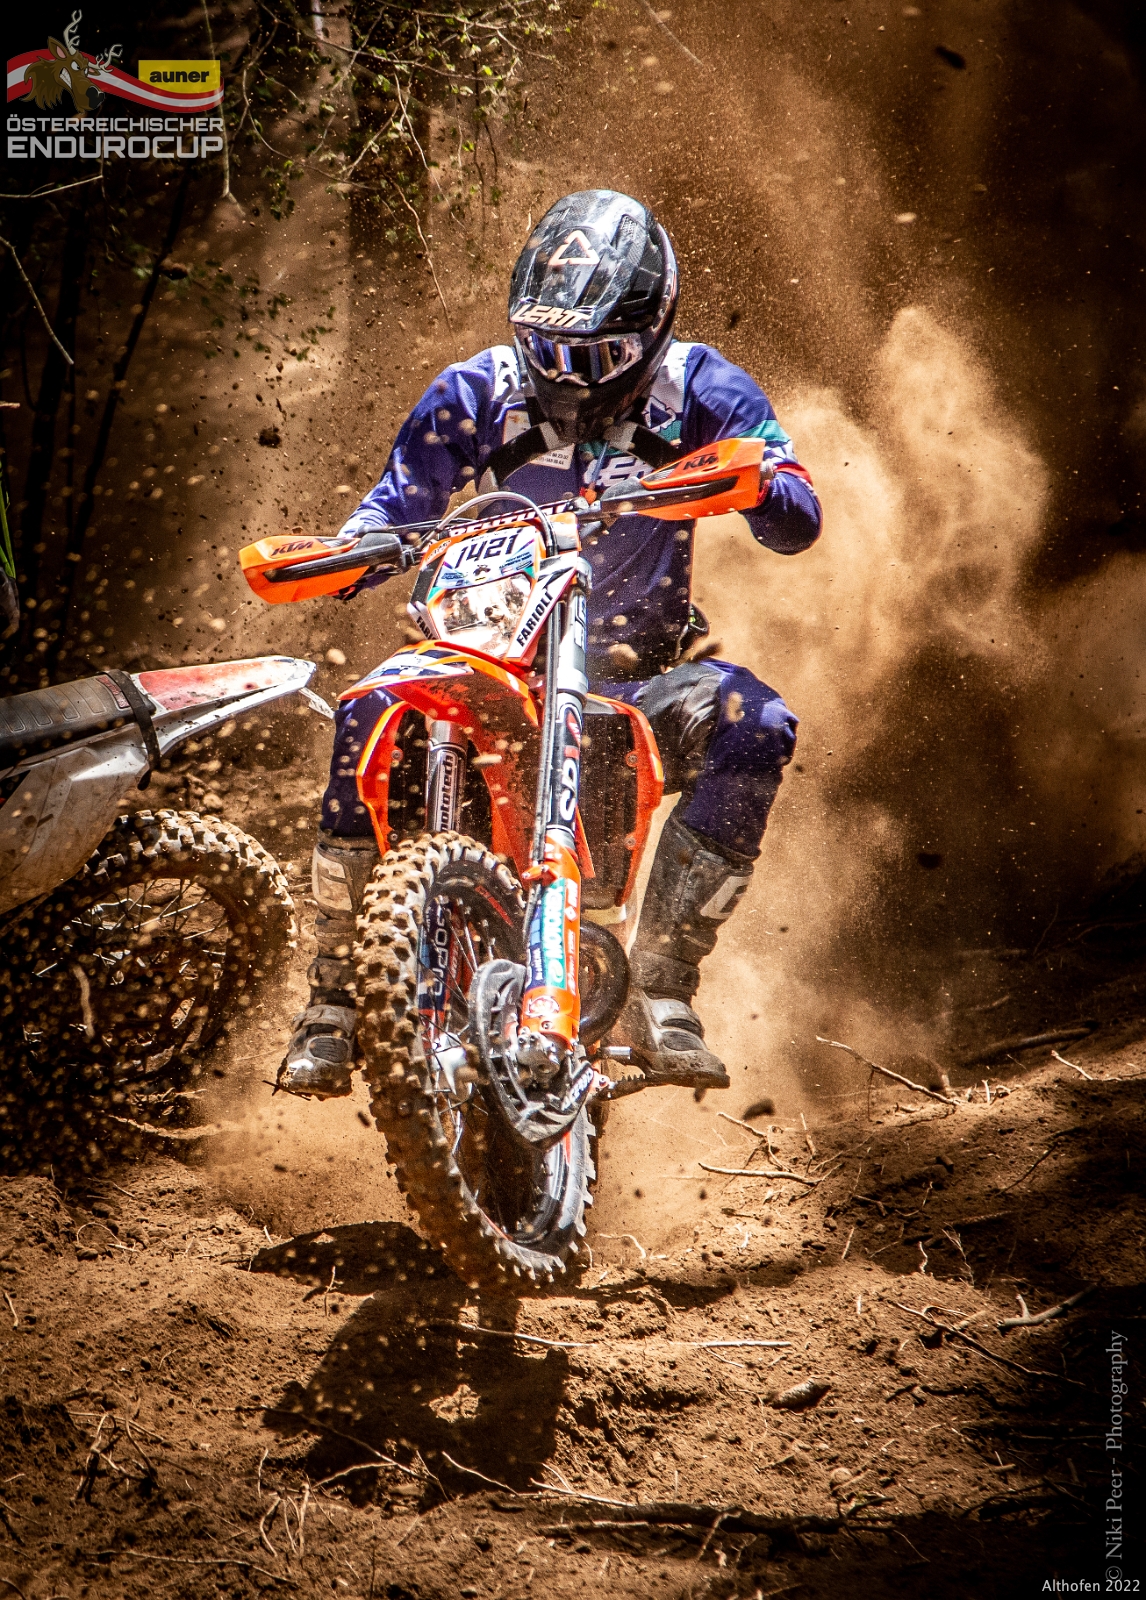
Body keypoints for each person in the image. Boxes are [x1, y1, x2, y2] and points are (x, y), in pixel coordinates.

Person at [279, 189, 822, 1099]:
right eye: (548, 349)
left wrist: (758, 483)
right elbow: (395, 505)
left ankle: (661, 986)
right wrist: (351, 553)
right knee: (365, 711)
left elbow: (797, 518)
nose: (568, 376)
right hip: (480, 659)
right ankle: (334, 994)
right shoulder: (475, 392)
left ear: (652, 330)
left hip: (632, 677)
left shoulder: (703, 388)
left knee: (756, 721)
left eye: (596, 356)